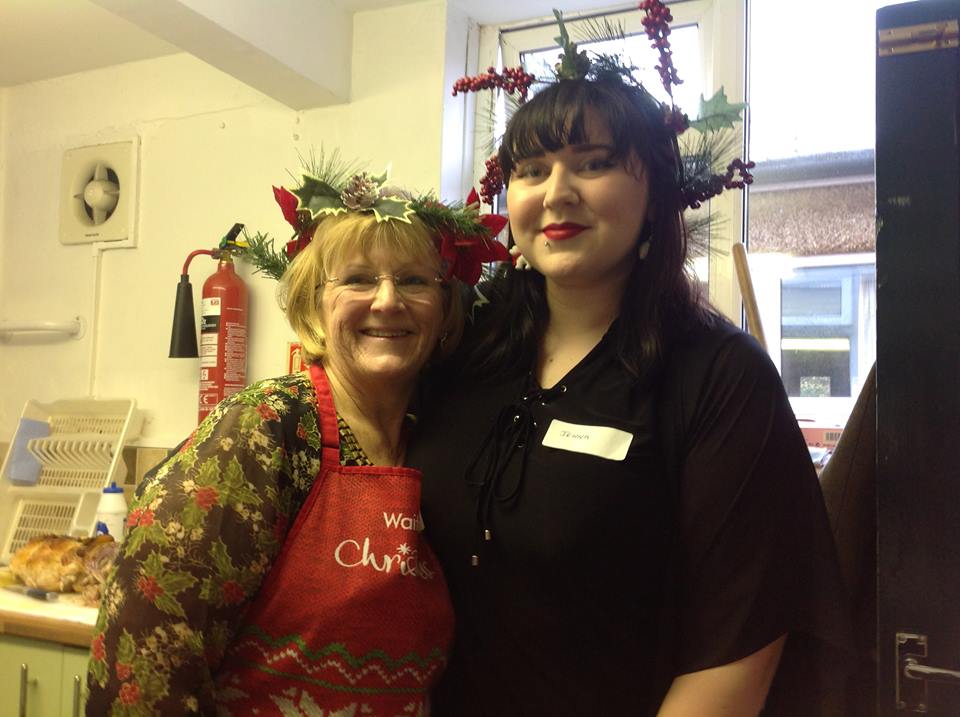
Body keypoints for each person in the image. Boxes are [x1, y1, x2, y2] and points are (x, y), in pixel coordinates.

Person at [407, 8, 852, 716]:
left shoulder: (719, 378)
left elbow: (737, 653)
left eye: (595, 163)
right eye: (532, 170)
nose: (557, 192)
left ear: (654, 197)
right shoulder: (463, 346)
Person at [85, 162, 507, 715]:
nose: (387, 300)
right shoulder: (263, 428)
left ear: (445, 307)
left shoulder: (442, 442)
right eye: (358, 279)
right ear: (314, 301)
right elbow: (143, 655)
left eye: (413, 280)